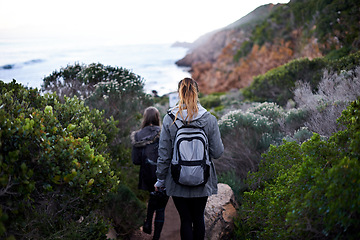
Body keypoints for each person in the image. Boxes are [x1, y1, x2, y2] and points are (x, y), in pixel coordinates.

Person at [155, 78, 224, 240]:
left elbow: (164, 153)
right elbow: (217, 152)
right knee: (198, 218)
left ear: (179, 93)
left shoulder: (170, 119)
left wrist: (160, 179)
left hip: (177, 178)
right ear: (197, 92)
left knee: (185, 219)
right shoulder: (209, 119)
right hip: (203, 178)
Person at [131, 107, 169, 240]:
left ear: (145, 118)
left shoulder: (137, 135)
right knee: (161, 207)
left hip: (146, 174)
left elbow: (135, 161)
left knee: (153, 196)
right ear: (158, 118)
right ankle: (156, 237)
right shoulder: (164, 132)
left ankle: (148, 221)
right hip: (162, 173)